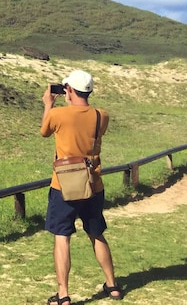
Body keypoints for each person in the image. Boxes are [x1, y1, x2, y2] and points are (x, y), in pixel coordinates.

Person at [40, 70, 123, 303]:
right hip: (93, 183)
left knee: (62, 237)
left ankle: (64, 295)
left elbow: (44, 131)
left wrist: (48, 104)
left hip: (63, 185)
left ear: (68, 90)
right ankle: (113, 285)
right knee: (96, 233)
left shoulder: (58, 114)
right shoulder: (101, 116)